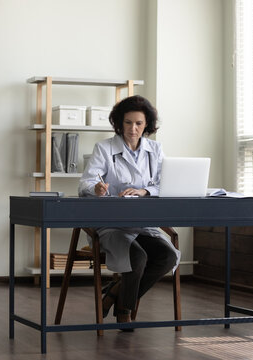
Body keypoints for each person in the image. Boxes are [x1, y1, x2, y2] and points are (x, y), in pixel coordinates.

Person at [78, 95, 180, 329]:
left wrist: (145, 190)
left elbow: (166, 184)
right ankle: (125, 310)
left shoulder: (155, 150)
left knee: (168, 256)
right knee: (138, 257)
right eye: (128, 123)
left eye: (139, 123)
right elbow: (84, 184)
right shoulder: (104, 148)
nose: (133, 129)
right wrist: (96, 188)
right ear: (119, 123)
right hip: (111, 224)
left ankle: (115, 292)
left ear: (147, 125)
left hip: (143, 223)